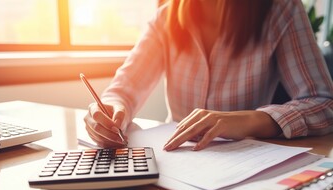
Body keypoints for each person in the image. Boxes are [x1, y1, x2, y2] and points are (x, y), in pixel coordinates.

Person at [84, 0, 333, 151]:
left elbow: (324, 102)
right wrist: (111, 110)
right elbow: (123, 91)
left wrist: (249, 121)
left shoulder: (281, 11)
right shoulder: (165, 18)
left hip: (245, 164)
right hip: (175, 162)